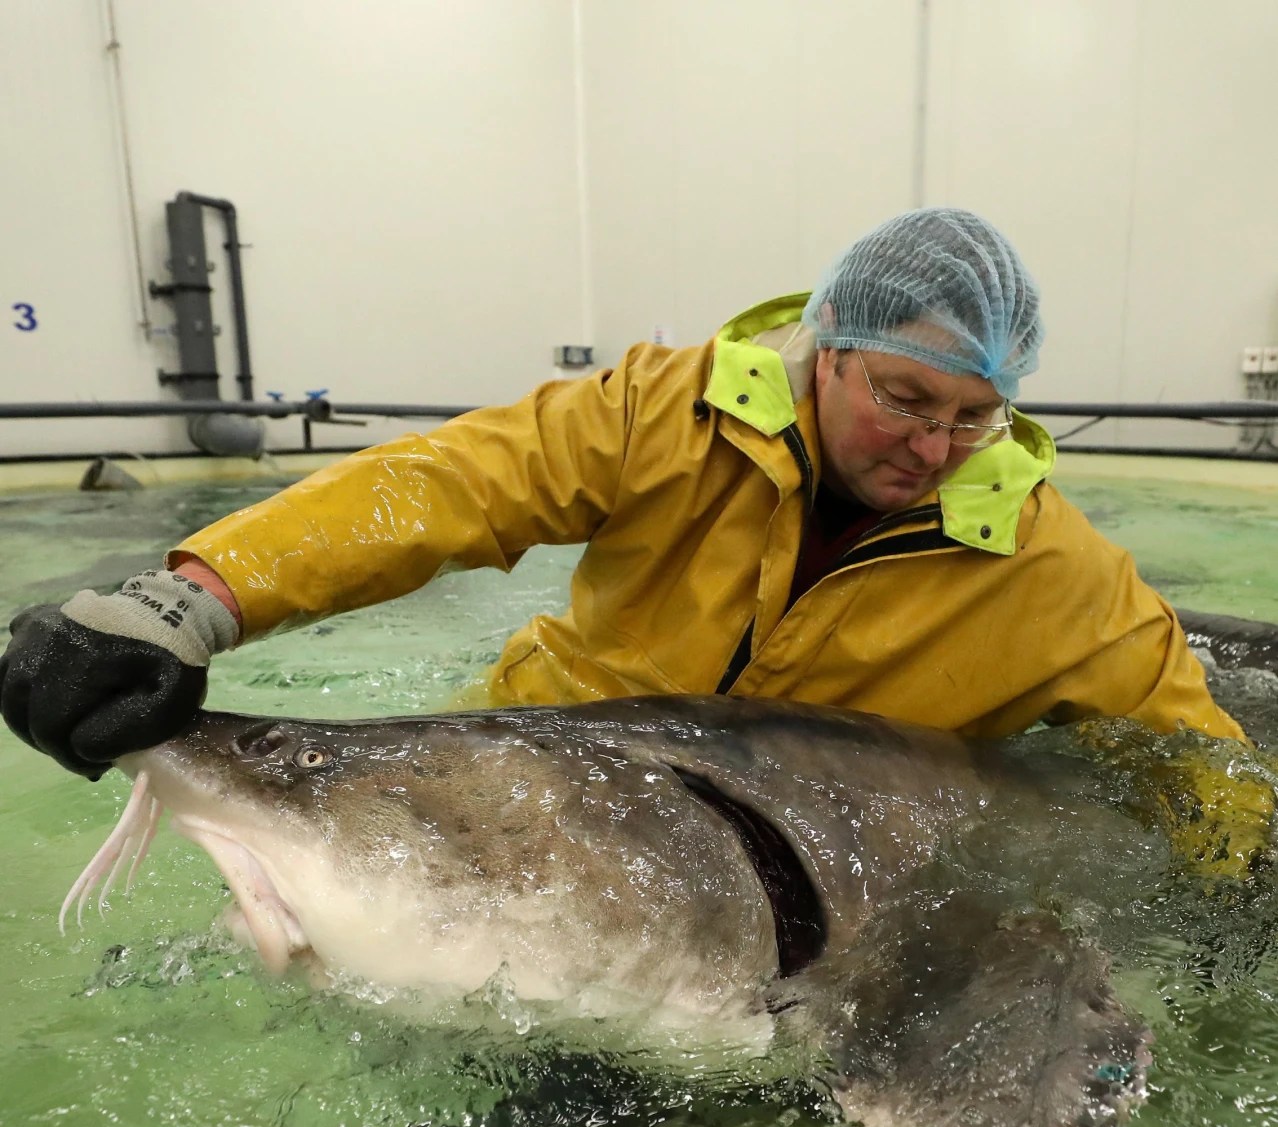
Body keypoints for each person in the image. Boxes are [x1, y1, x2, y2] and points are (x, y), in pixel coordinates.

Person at [0, 207, 1245, 781]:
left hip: (799, 890)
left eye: (975, 420)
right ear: (827, 348)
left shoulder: (1058, 574)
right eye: (905, 402)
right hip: (539, 790)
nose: (934, 449)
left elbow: (1195, 750)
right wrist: (197, 597)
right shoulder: (670, 408)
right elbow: (452, 484)